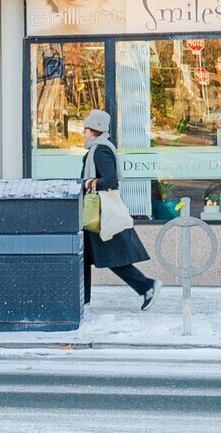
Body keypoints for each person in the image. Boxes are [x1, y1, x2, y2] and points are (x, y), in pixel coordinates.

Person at [81, 109, 156, 309]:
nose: (83, 133)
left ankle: (147, 286)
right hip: (94, 213)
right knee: (84, 258)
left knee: (111, 257)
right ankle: (83, 301)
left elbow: (110, 180)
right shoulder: (96, 149)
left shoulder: (100, 150)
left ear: (94, 130)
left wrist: (88, 183)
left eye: (86, 129)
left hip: (100, 212)